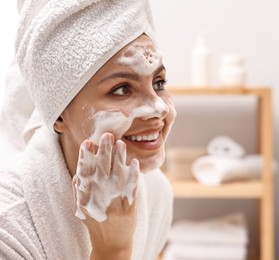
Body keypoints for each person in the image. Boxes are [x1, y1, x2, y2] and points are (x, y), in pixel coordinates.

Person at [0, 0, 176, 259]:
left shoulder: (155, 192)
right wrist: (112, 249)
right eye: (122, 89)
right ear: (58, 114)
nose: (158, 107)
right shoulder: (9, 225)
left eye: (159, 83)